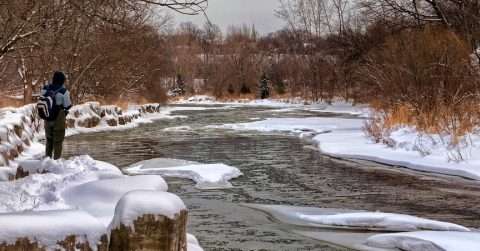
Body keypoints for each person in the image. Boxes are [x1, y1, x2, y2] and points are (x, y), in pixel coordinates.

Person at [41, 71, 72, 159]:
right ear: (62, 80)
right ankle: (56, 162)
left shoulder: (45, 88)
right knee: (58, 142)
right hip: (59, 119)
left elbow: (41, 100)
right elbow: (68, 106)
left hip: (47, 117)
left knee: (49, 141)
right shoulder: (64, 91)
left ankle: (47, 160)